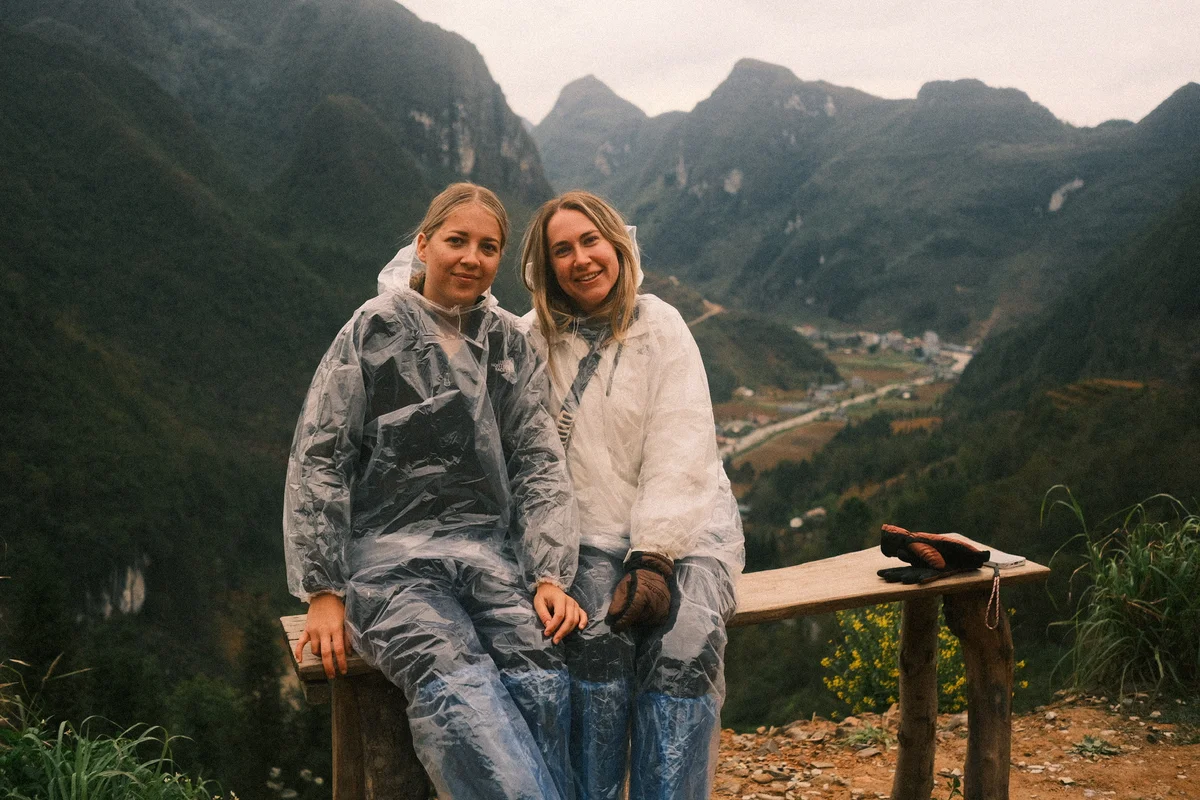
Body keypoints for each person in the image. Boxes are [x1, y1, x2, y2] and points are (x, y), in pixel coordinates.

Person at [284, 183, 586, 800]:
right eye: (456, 241)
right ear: (423, 245)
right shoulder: (374, 331)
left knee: (543, 678)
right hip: (389, 568)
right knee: (457, 688)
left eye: (488, 246)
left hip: (488, 557)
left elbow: (537, 460)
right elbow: (322, 456)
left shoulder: (505, 341)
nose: (470, 258)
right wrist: (323, 589)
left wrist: (549, 574)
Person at [519, 191, 745, 800]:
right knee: (595, 643)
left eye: (591, 241)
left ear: (618, 244)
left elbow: (680, 440)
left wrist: (654, 554)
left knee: (683, 647)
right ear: (545, 267)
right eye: (561, 249)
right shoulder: (530, 343)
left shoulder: (660, 326)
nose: (581, 259)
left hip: (686, 531)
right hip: (584, 534)